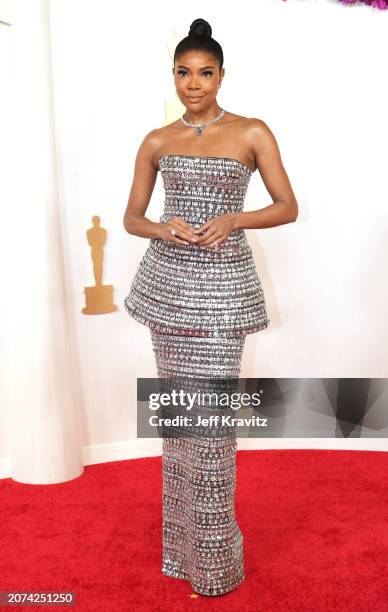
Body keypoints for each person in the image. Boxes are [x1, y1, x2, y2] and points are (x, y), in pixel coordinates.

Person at [123, 17, 298, 596]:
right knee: (179, 424)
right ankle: (180, 556)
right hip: (168, 288)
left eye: (204, 73)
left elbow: (286, 205)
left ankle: (216, 565)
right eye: (183, 72)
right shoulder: (157, 140)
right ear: (172, 75)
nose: (193, 83)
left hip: (223, 291)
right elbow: (132, 218)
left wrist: (235, 218)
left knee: (213, 428)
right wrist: (161, 228)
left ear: (222, 75)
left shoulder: (251, 132)